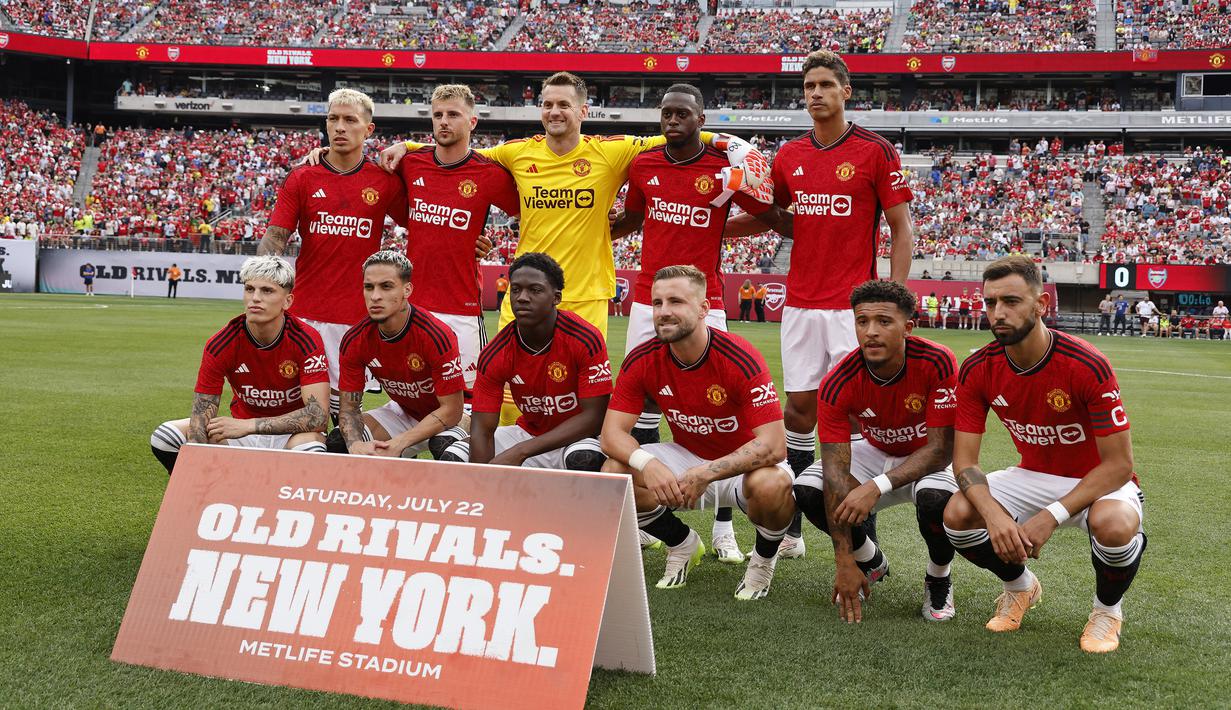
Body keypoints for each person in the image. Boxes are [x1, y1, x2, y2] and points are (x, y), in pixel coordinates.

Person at [380, 72, 768, 340]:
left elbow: (673, 135)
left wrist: (730, 143)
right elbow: (463, 151)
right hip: (524, 291)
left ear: (583, 111)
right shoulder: (516, 153)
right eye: (547, 104)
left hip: (586, 293)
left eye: (564, 104)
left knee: (584, 395)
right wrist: (410, 146)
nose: (554, 111)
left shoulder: (611, 152)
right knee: (510, 395)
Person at [722, 50, 914, 559]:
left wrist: (893, 301)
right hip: (802, 302)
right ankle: (796, 529)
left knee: (850, 414)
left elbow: (901, 229)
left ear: (845, 91)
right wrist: (714, 222)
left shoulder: (876, 151)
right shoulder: (789, 155)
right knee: (800, 408)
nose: (815, 94)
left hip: (852, 306)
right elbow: (777, 218)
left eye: (825, 85)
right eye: (808, 86)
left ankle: (858, 526)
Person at [607, 83, 774, 561]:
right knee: (641, 405)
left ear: (701, 118)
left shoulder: (725, 168)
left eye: (682, 113)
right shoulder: (644, 165)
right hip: (647, 300)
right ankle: (652, 520)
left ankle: (724, 526)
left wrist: (719, 222)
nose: (672, 120)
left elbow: (765, 216)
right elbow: (634, 218)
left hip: (707, 302)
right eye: (666, 114)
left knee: (719, 410)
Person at [944, 256, 1144, 653]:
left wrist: (1050, 517)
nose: (998, 313)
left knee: (1115, 525)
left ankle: (1107, 611)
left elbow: (1120, 465)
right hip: (1033, 473)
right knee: (958, 515)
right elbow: (964, 463)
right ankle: (1020, 587)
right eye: (990, 302)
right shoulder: (977, 369)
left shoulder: (1087, 364)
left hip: (1098, 479)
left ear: (1042, 305)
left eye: (1012, 301)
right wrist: (996, 516)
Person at [601, 265, 795, 600]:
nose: (663, 311)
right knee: (615, 472)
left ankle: (763, 560)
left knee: (772, 484)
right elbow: (611, 434)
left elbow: (775, 445)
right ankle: (683, 543)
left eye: (675, 301)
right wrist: (647, 462)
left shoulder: (739, 356)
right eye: (657, 302)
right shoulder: (643, 358)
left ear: (704, 309)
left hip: (743, 466)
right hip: (686, 455)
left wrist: (706, 472)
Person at [794, 280, 959, 623]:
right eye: (862, 321)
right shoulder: (838, 380)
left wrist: (876, 486)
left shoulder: (938, 361)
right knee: (809, 490)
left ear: (908, 327)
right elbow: (836, 473)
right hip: (874, 449)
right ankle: (870, 560)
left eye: (884, 322)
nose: (871, 331)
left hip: (925, 454)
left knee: (936, 499)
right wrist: (845, 561)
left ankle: (938, 577)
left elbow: (941, 451)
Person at [259, 88, 410, 420]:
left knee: (346, 421)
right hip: (304, 318)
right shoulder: (303, 176)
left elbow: (423, 221)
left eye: (349, 120)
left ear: (368, 129)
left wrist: (470, 239)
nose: (340, 127)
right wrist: (261, 281)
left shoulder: (384, 181)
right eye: (333, 119)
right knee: (298, 415)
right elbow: (275, 237)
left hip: (355, 321)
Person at [149, 256, 329, 473]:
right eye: (249, 289)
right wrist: (198, 456)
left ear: (287, 301)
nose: (255, 298)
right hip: (243, 437)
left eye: (267, 291)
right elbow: (200, 415)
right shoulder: (222, 343)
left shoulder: (306, 339)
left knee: (311, 448)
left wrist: (248, 425)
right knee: (166, 437)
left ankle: (284, 501)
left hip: (292, 435)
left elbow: (318, 416)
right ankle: (206, 495)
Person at [441, 253, 609, 471]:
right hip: (529, 433)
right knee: (455, 455)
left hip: (580, 438)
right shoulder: (496, 353)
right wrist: (482, 479)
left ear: (556, 297)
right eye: (516, 289)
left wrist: (521, 451)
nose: (522, 297)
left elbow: (595, 418)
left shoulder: (585, 338)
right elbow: (482, 428)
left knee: (584, 457)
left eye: (535, 290)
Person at [331, 251, 465, 458]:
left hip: (458, 413)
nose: (375, 296)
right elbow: (349, 409)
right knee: (339, 441)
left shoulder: (435, 335)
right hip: (406, 411)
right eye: (369, 287)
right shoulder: (354, 339)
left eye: (386, 286)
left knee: (445, 447)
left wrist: (399, 443)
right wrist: (355, 444)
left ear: (407, 289)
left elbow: (452, 410)